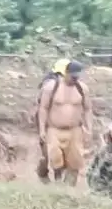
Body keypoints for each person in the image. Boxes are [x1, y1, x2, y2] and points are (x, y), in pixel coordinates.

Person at [36, 58, 91, 186]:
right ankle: (58, 183)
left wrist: (89, 128)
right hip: (54, 129)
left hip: (75, 130)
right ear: (66, 73)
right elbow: (43, 109)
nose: (75, 80)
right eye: (72, 77)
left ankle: (69, 188)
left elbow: (88, 109)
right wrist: (42, 129)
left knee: (75, 162)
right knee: (56, 159)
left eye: (77, 77)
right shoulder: (51, 88)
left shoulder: (82, 89)